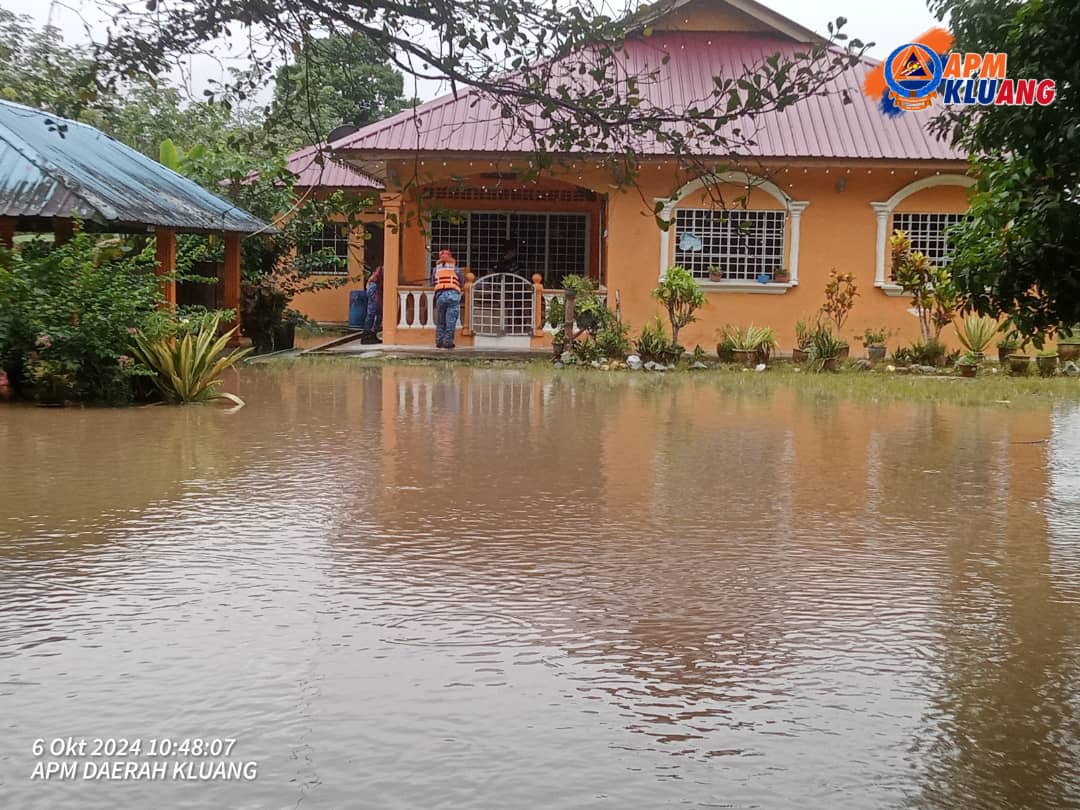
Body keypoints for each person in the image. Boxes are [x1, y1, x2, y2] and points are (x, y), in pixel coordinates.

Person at [430, 249, 463, 349]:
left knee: (441, 320)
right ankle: (448, 342)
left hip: (440, 295)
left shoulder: (436, 269)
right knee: (451, 320)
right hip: (452, 294)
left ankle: (439, 341)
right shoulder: (456, 269)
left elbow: (432, 282)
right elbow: (461, 281)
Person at [360, 265, 384, 344]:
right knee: (372, 312)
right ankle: (366, 335)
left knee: (379, 312)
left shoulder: (382, 268)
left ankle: (373, 334)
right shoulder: (385, 268)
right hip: (374, 288)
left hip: (374, 287)